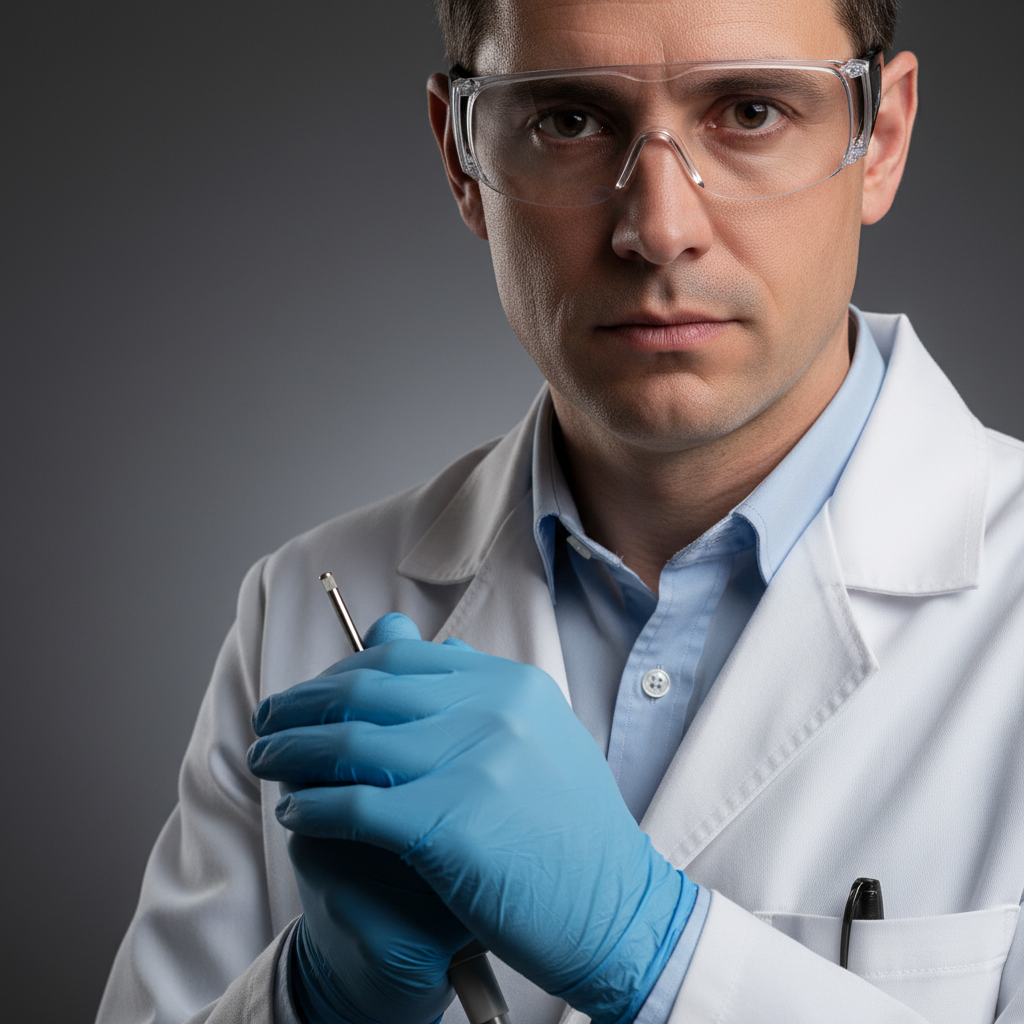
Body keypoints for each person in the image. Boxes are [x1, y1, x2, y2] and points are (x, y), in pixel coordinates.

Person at [96, 0, 1024, 1021]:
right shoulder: (305, 607)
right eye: (569, 120)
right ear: (461, 160)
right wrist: (313, 1000)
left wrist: (655, 950)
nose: (659, 228)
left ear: (879, 138)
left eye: (750, 111)